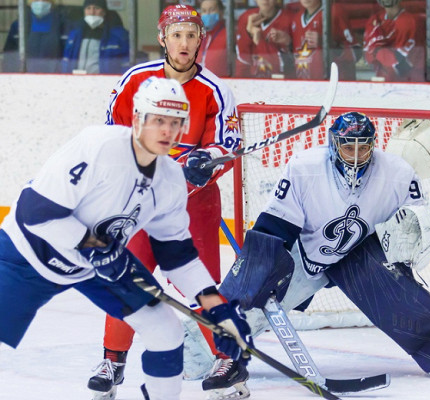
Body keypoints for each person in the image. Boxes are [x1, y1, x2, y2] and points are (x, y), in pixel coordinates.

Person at [0, 76, 252, 400]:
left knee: (164, 329)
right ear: (137, 119)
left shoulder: (171, 180)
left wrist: (217, 308)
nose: (167, 131)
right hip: (28, 253)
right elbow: (36, 212)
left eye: (175, 122)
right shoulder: (98, 146)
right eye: (158, 120)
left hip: (93, 265)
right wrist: (93, 246)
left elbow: (178, 258)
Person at [200, 112, 430, 393]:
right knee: (246, 297)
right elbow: (274, 227)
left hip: (360, 255)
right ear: (334, 145)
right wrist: (258, 275)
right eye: (348, 147)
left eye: (363, 147)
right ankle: (221, 357)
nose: (356, 156)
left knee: (394, 288)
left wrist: (417, 231)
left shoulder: (399, 174)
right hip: (306, 254)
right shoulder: (305, 168)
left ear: (373, 145)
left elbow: (414, 232)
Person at [87, 4, 243, 398]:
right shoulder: (136, 80)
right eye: (176, 35)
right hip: (141, 204)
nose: (184, 43)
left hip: (194, 206)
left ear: (200, 39)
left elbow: (227, 143)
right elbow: (112, 135)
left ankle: (227, 360)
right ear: (163, 39)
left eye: (191, 35)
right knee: (126, 278)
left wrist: (207, 163)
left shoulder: (215, 90)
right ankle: (112, 360)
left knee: (202, 283)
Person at [290, 0, 359, 80]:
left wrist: (327, 43)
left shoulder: (334, 12)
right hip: (303, 83)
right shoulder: (296, 19)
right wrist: (288, 44)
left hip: (335, 84)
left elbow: (356, 53)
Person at [60, 0, 129, 74]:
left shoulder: (118, 36)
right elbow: (66, 61)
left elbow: (126, 64)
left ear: (104, 12)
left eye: (96, 8)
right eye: (88, 8)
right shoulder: (74, 35)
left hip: (104, 79)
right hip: (76, 78)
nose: (92, 12)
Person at [363, 0, 424, 82]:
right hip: (382, 80)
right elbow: (368, 57)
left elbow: (398, 63)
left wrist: (377, 52)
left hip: (409, 82)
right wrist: (380, 53)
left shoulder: (408, 21)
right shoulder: (374, 20)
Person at [235, 0, 295, 79]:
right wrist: (248, 34)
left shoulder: (290, 19)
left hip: (280, 80)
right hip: (252, 80)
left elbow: (294, 62)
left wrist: (289, 43)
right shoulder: (245, 18)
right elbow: (243, 59)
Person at [2, 0, 66, 73]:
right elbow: (9, 57)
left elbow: (68, 58)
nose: (40, 2)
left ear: (52, 2)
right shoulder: (18, 26)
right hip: (24, 76)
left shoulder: (62, 25)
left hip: (55, 76)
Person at [196, 0, 230, 77]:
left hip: (221, 81)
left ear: (221, 12)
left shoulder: (228, 35)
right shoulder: (198, 36)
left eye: (212, 10)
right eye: (204, 11)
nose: (207, 13)